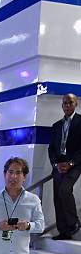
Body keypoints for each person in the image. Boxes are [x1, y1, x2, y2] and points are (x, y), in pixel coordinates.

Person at [48, 93, 81, 240]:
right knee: (57, 198)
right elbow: (52, 149)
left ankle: (74, 223)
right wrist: (56, 164)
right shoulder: (56, 126)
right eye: (65, 103)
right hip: (59, 165)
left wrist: (71, 163)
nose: (67, 105)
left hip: (74, 165)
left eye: (70, 103)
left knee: (65, 190)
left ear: (76, 104)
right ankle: (64, 231)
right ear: (62, 105)